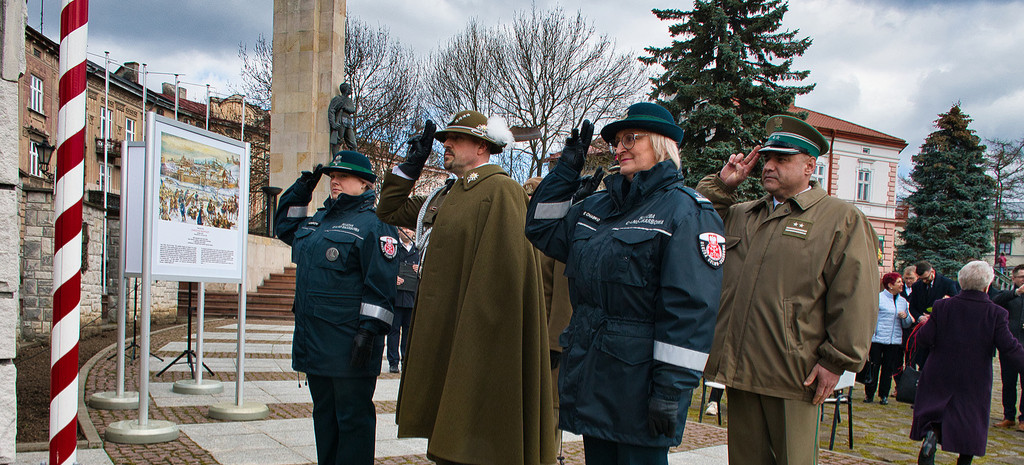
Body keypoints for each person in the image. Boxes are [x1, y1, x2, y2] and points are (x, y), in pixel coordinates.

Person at [526, 102, 724, 464]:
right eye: (617, 140)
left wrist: (671, 390)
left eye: (631, 138)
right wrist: (565, 173)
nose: (619, 148)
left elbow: (689, 311)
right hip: (594, 380)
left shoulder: (688, 212)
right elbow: (542, 228)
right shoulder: (599, 206)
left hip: (641, 389)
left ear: (662, 144)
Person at [696, 114, 880, 465]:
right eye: (767, 158)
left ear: (810, 165)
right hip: (741, 367)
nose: (769, 166)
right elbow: (698, 220)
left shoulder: (839, 218)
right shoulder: (743, 214)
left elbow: (855, 295)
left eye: (782, 159)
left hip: (795, 373)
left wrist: (837, 360)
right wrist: (722, 185)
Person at [376, 111, 556, 465]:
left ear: (481, 145)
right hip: (445, 326)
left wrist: (475, 339)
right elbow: (389, 209)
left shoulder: (501, 190)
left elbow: (503, 278)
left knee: (473, 437)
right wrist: (409, 167)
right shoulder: (449, 194)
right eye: (445, 138)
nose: (446, 143)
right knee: (449, 435)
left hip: (475, 336)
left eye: (455, 138)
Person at [274, 150, 398, 465]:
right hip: (315, 342)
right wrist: (304, 185)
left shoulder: (375, 224)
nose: (335, 181)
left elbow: (381, 287)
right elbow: (285, 226)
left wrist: (367, 335)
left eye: (343, 176)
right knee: (325, 418)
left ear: (365, 182)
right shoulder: (318, 220)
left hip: (349, 345)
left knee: (353, 422)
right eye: (332, 176)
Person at [910, 261, 1024, 465]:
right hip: (974, 377)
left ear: (961, 282)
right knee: (969, 424)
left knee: (937, 413)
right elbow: (1009, 348)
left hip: (940, 371)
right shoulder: (996, 313)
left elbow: (924, 339)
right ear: (987, 285)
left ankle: (932, 437)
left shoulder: (942, 306)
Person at [863, 272, 914, 405]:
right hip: (878, 339)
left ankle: (884, 394)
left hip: (894, 341)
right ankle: (869, 393)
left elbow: (907, 323)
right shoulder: (878, 298)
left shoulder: (903, 302)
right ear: (890, 285)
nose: (901, 284)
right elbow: (871, 317)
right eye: (898, 282)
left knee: (888, 368)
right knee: (874, 366)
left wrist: (905, 317)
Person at [908, 261, 960, 367]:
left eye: (927, 278)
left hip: (940, 330)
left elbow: (956, 305)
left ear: (932, 271)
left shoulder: (947, 283)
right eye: (922, 279)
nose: (925, 281)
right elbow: (912, 306)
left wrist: (935, 316)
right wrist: (919, 317)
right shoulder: (917, 286)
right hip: (923, 329)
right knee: (922, 362)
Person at [990, 264, 1024, 430]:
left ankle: (1023, 418)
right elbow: (995, 302)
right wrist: (1016, 293)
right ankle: (1008, 416)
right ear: (1014, 278)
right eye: (1021, 277)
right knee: (1009, 382)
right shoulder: (1008, 294)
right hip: (1010, 346)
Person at [387, 227, 419, 373]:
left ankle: (406, 359)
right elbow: (386, 267)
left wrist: (420, 269)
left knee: (408, 330)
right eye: (404, 227)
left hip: (412, 297)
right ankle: (393, 362)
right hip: (396, 296)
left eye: (410, 228)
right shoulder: (393, 248)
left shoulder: (418, 250)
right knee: (394, 331)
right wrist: (392, 278)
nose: (407, 231)